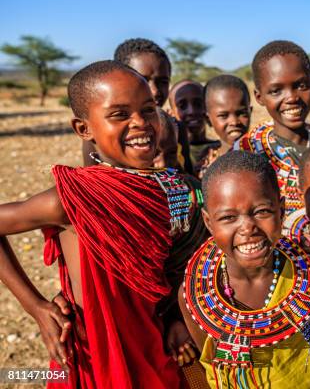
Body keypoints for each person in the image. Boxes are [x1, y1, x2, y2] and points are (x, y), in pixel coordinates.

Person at [0, 60, 200, 388]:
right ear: (84, 129)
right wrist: (35, 306)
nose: (140, 123)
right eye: (120, 114)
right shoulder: (73, 197)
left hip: (154, 343)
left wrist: (178, 318)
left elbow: (179, 268)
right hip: (96, 351)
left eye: (148, 110)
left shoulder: (173, 188)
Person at [179, 151, 310, 388]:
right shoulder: (195, 296)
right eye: (228, 217)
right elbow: (212, 364)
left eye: (262, 212)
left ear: (281, 210)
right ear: (209, 222)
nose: (248, 227)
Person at [235, 40, 310, 234]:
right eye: (276, 90)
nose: (291, 97)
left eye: (300, 85)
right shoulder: (247, 150)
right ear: (259, 96)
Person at [81, 38, 193, 173]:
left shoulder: (177, 127)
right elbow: (92, 181)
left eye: (162, 81)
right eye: (143, 81)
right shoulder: (101, 136)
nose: (154, 91)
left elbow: (186, 176)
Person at [199, 74, 252, 172]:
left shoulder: (264, 152)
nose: (234, 122)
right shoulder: (204, 161)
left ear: (250, 111)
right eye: (223, 115)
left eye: (241, 113)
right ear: (208, 119)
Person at [168, 79, 220, 176]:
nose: (191, 111)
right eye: (182, 106)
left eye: (198, 104)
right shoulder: (168, 155)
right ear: (171, 113)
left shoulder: (221, 149)